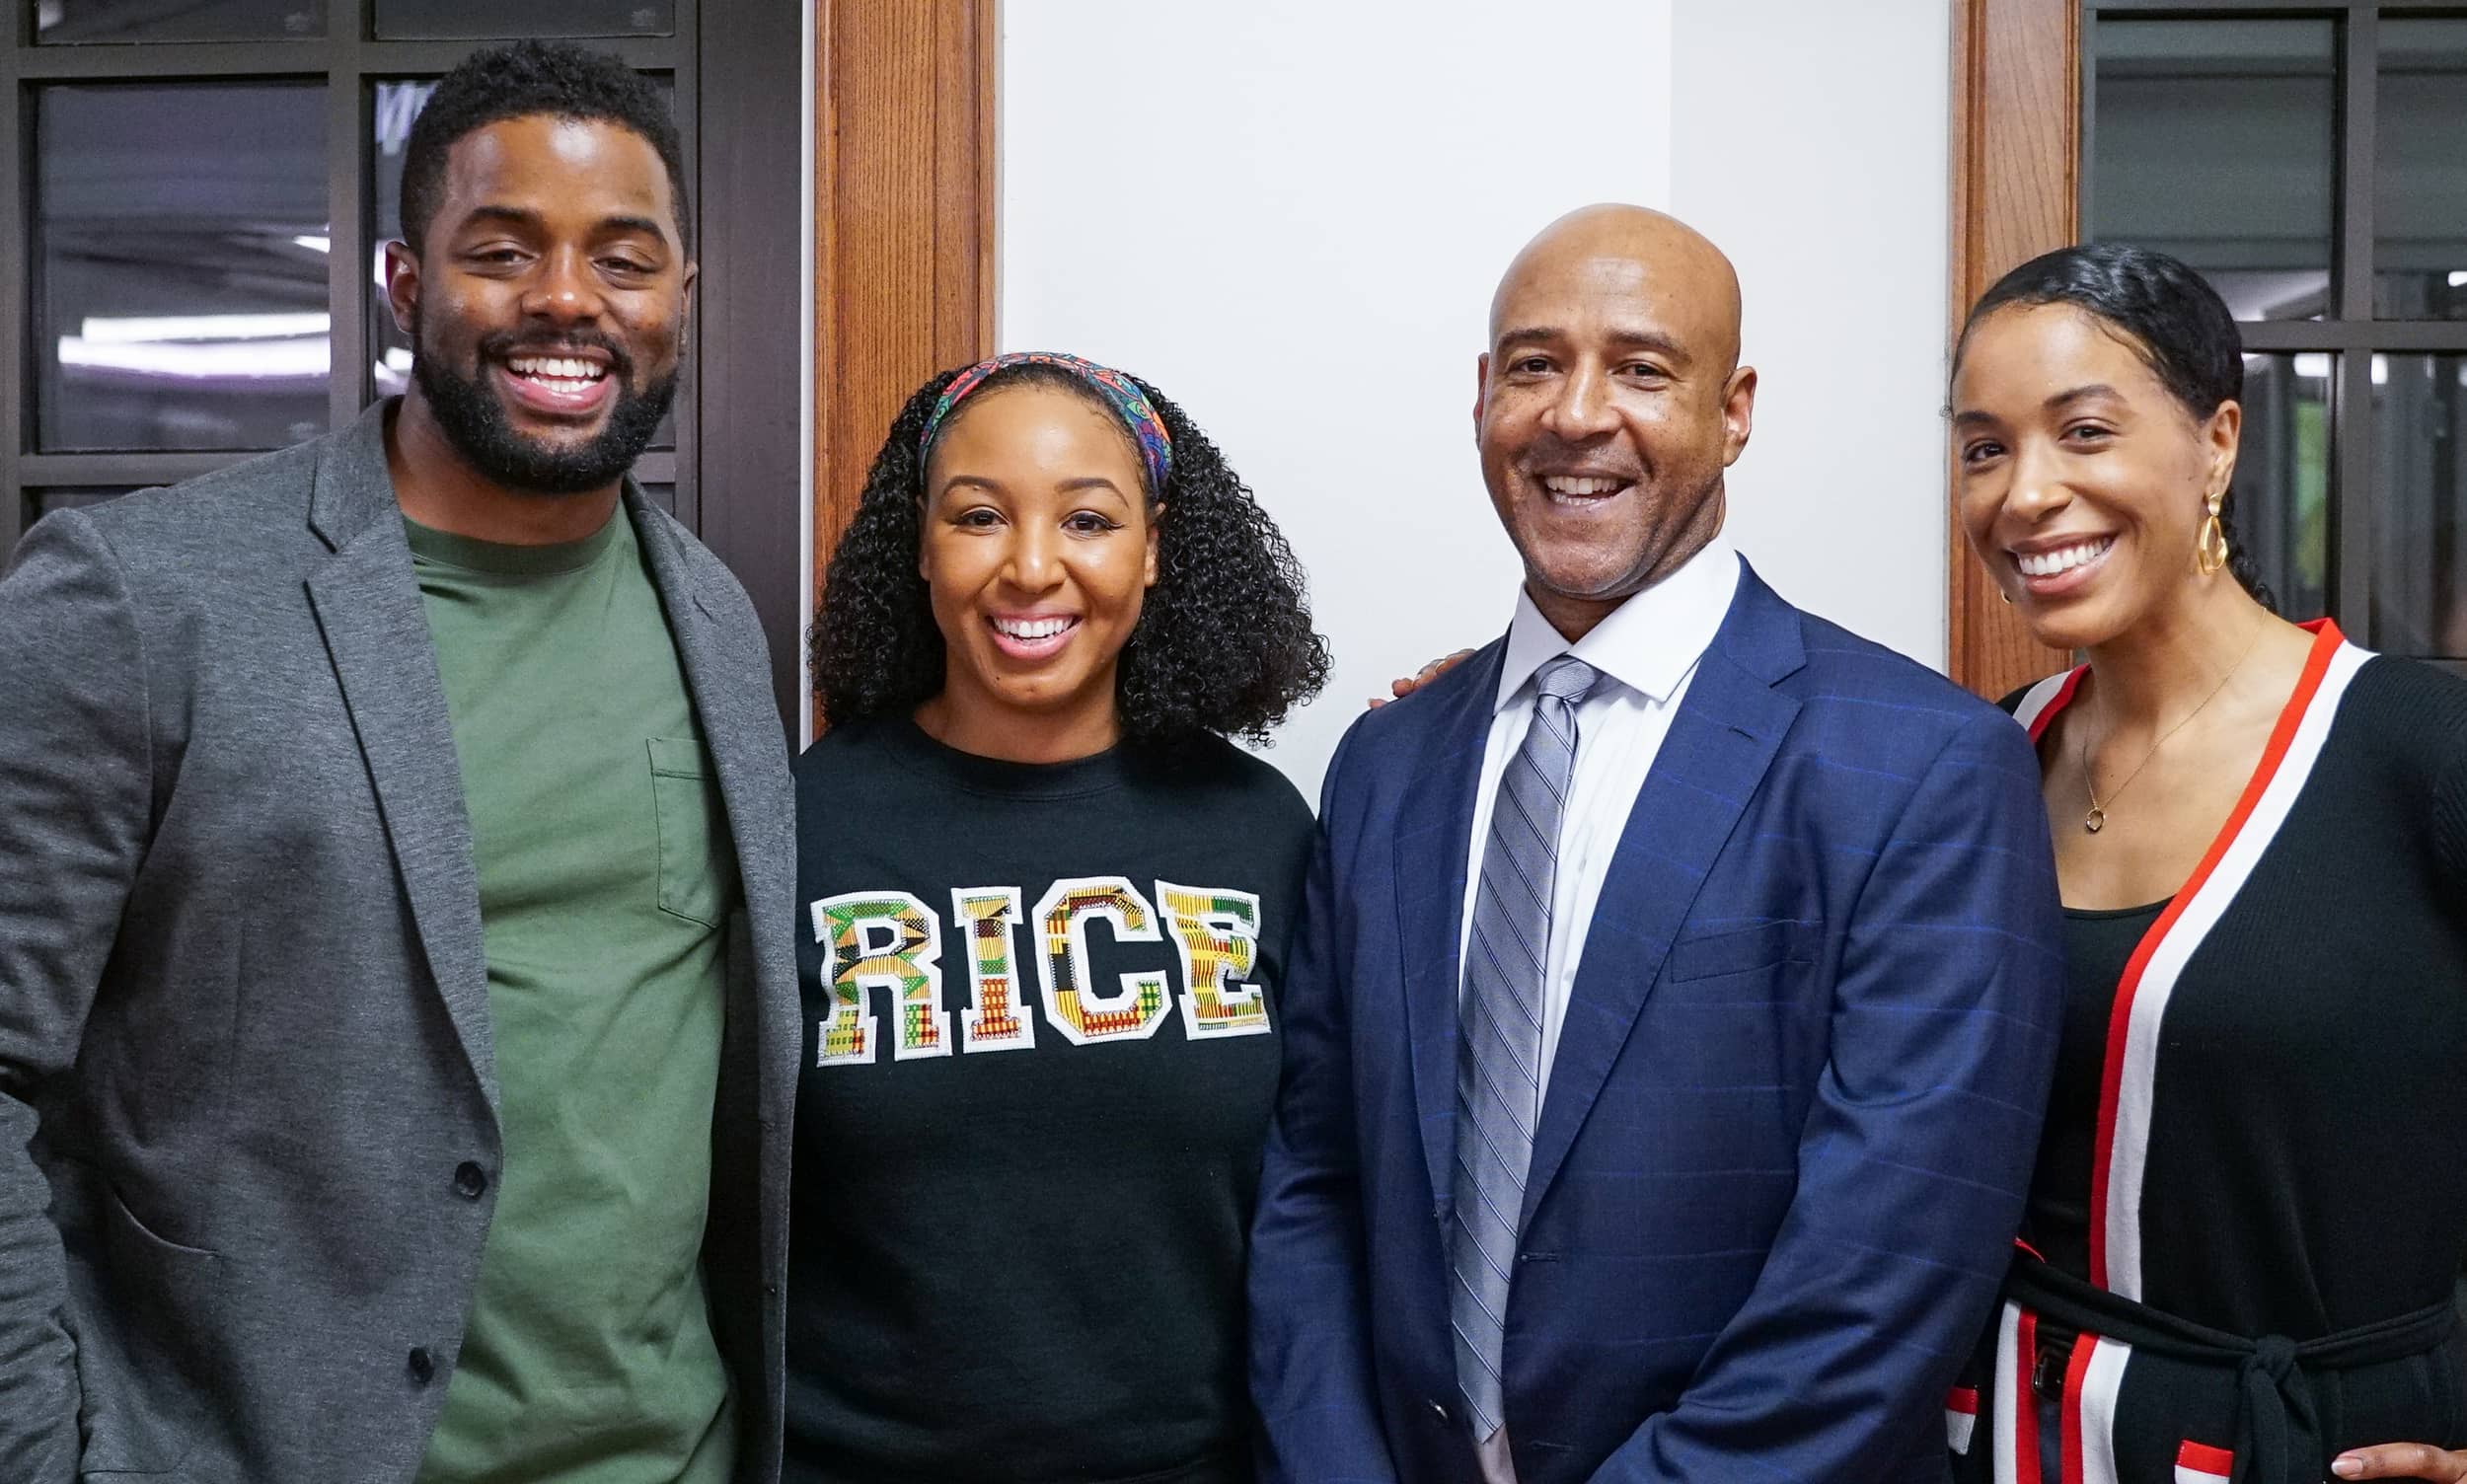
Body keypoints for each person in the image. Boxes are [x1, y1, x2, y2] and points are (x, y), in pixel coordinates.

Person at [0, 40, 797, 1484]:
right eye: (504, 250)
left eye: (624, 258)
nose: (568, 299)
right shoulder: (139, 600)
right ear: (405, 285)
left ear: (682, 299)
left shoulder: (719, 625)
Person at [1245, 202, 2066, 1484]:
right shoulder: (1387, 769)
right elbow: (1313, 1182)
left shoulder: (1927, 768)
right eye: (1532, 365)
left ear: (1733, 409)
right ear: (1480, 398)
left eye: (1641, 368)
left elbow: (1886, 1280)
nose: (1576, 414)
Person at [1946, 244, 2467, 1484]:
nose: (2025, 494)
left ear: (2218, 442)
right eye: (1983, 446)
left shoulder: (2413, 748)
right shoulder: (1980, 759)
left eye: (2082, 431)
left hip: (2303, 1447)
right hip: (1993, 1441)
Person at [785, 351, 1329, 1484]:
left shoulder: (1258, 831)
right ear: (922, 548)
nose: (1031, 568)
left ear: (1154, 549)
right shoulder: (801, 823)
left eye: (1087, 519)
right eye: (978, 516)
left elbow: (1333, 1191)